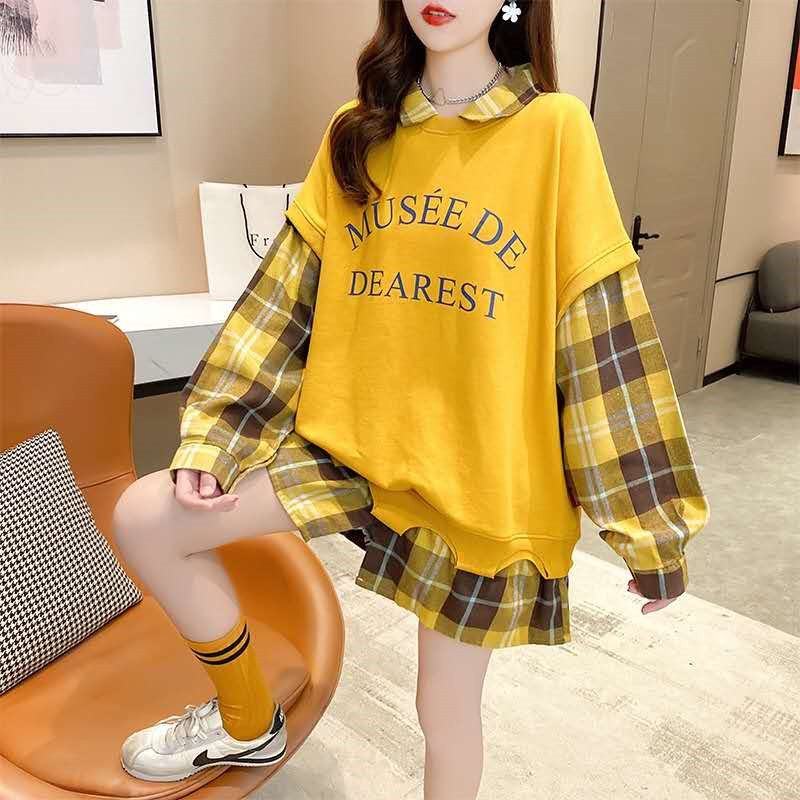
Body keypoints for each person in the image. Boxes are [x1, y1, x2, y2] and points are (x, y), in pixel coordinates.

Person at [111, 0, 710, 796]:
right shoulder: (357, 131)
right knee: (144, 517)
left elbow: (600, 336)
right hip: (349, 448)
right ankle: (248, 720)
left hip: (475, 479)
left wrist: (649, 526)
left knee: (443, 711)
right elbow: (284, 303)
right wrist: (218, 430)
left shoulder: (554, 131)